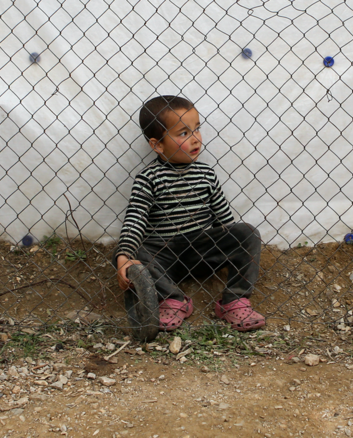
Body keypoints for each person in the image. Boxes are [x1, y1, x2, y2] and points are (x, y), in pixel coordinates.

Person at [112, 95, 266, 332]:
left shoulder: (206, 174)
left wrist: (234, 243)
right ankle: (173, 300)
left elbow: (225, 222)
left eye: (197, 129)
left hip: (202, 251)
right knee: (138, 250)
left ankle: (234, 300)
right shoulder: (149, 178)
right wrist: (124, 255)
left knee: (246, 233)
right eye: (183, 133)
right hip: (165, 256)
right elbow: (135, 218)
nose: (195, 139)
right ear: (157, 145)